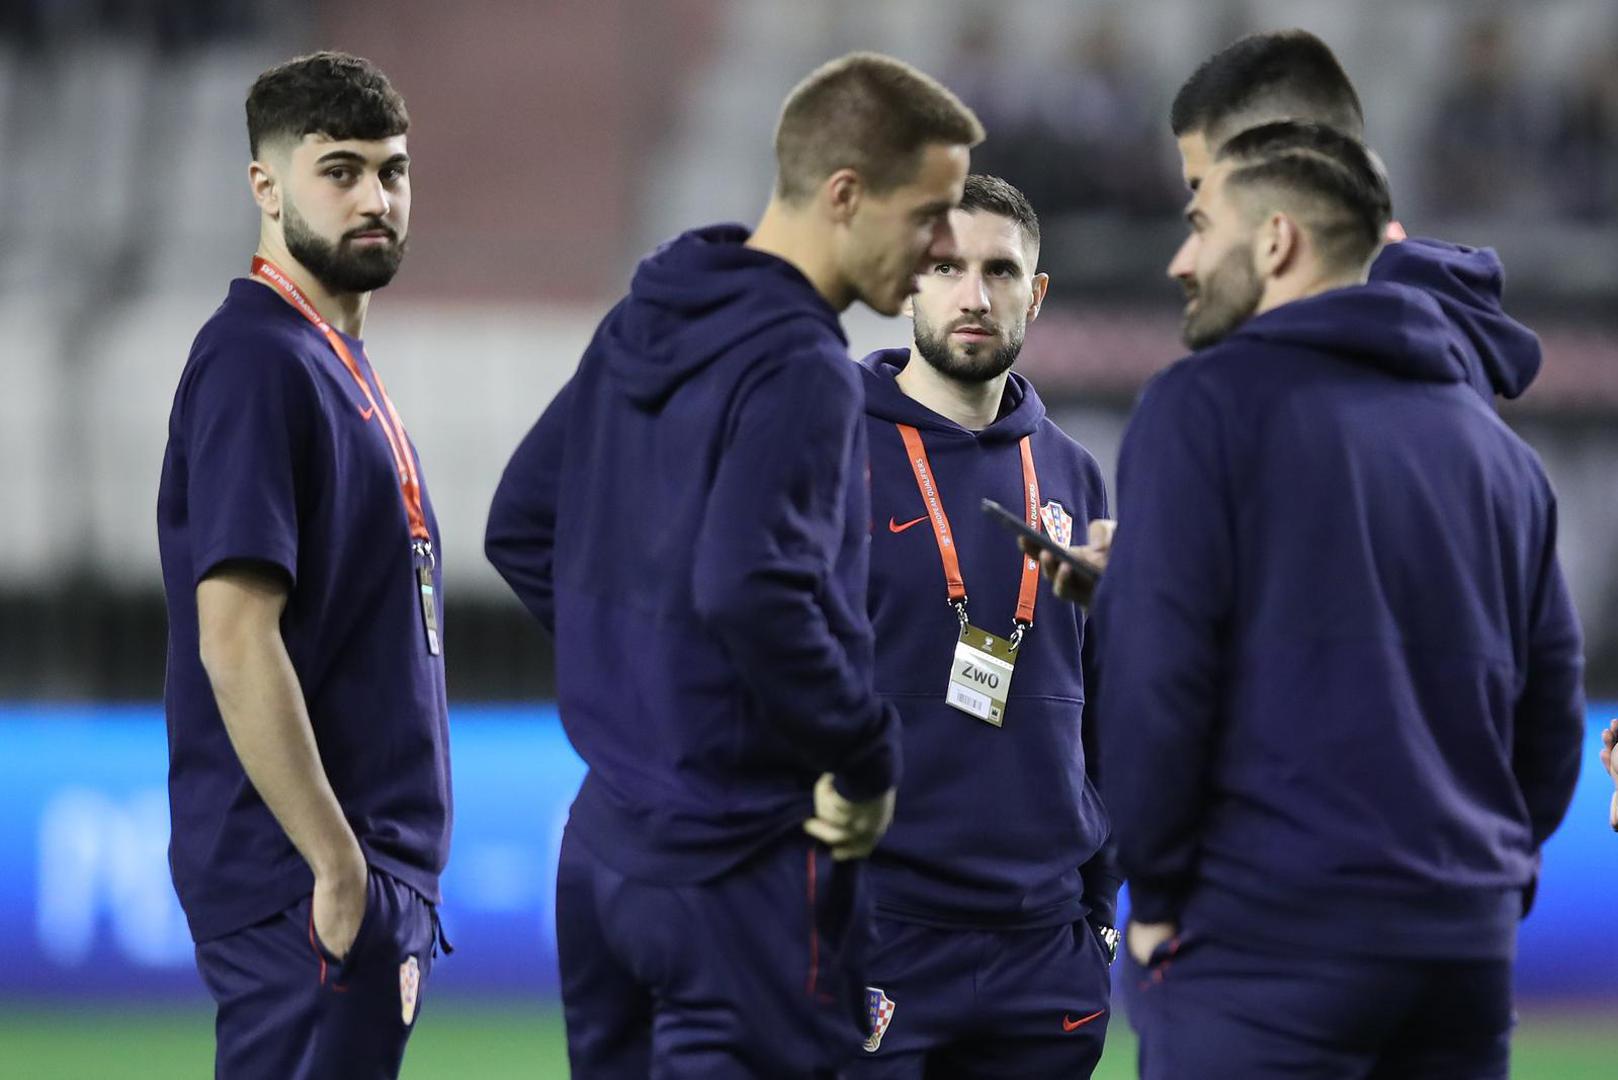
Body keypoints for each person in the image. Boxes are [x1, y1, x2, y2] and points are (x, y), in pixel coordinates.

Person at [484, 52, 982, 1077]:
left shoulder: (643, 319)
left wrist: (643, 688)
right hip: (743, 871)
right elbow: (752, 587)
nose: (941, 248)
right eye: (928, 213)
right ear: (844, 195)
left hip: (608, 852)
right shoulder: (806, 370)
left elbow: (522, 523)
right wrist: (865, 753)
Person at [1093, 121, 1585, 1078]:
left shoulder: (1202, 404)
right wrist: (1481, 884)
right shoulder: (1504, 459)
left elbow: (1161, 686)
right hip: (1462, 957)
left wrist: (1152, 897)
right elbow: (1552, 724)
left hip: (1266, 944)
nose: (1181, 257)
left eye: (1201, 225)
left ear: (1276, 241)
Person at [155, 52, 451, 1080]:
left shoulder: (335, 361)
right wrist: (337, 864)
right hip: (307, 878)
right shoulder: (257, 360)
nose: (376, 197)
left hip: (353, 875)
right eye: (340, 170)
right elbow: (235, 635)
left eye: (394, 170)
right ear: (265, 186)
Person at [840, 173, 1118, 1078]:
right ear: (905, 281)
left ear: (1035, 294)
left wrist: (1099, 914)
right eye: (946, 265)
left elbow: (1112, 713)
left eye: (1001, 271)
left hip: (1047, 950)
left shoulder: (1075, 476)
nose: (973, 294)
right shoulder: (827, 446)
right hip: (876, 934)